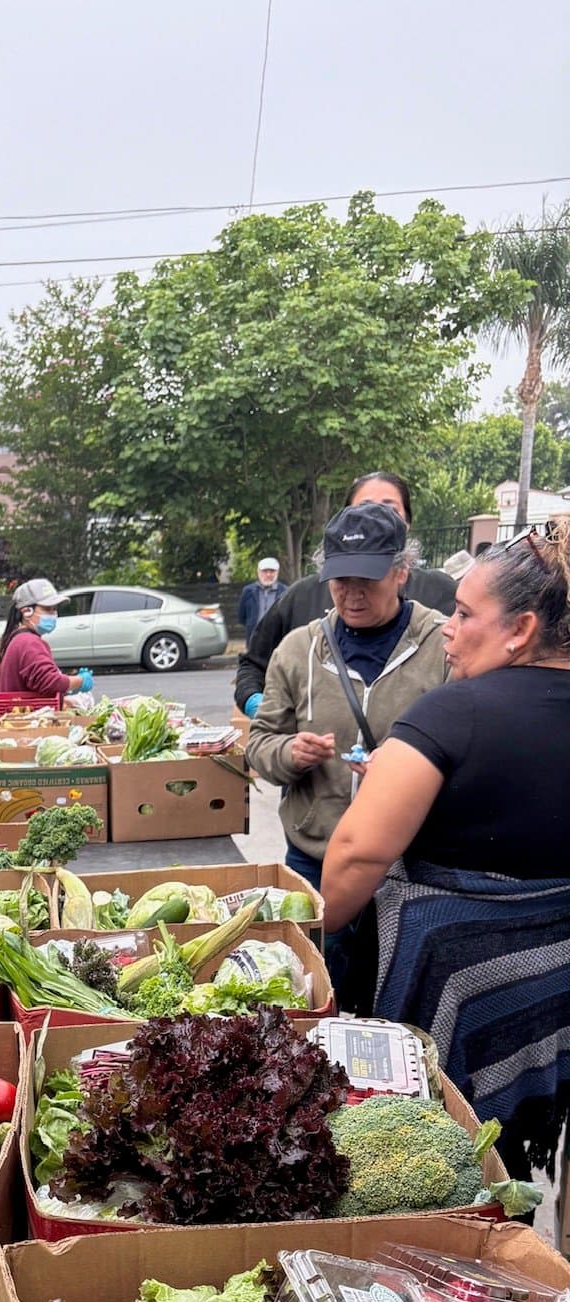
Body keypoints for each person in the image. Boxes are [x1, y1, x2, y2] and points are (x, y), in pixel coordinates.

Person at [321, 522, 570, 1179]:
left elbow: (354, 856)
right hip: (554, 999)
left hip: (452, 998)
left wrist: (308, 943)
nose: (449, 630)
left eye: (463, 614)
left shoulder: (452, 713)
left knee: (432, 1162)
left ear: (519, 629)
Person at [243, 502, 449, 1006]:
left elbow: (476, 748)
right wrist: (291, 751)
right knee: (320, 999)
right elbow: (259, 743)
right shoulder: (297, 650)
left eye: (369, 580)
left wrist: (405, 773)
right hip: (318, 860)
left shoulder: (445, 644)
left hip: (414, 867)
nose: (353, 594)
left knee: (402, 1003)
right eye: (341, 580)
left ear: (401, 572)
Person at [234, 472, 456, 712]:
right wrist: (267, 719)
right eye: (365, 508)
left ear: (407, 523)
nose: (354, 593)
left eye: (390, 510)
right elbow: (252, 667)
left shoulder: (440, 594)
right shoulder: (301, 597)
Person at [0, 578, 72, 702]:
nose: (53, 614)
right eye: (47, 609)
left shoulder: (18, 638)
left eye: (54, 609)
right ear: (27, 611)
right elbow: (50, 682)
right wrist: (80, 681)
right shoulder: (28, 642)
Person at [238, 558, 285, 637]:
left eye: (272, 571)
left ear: (277, 572)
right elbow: (242, 617)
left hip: (277, 637)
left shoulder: (285, 591)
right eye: (265, 571)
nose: (268, 575)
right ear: (258, 572)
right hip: (254, 637)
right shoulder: (248, 591)